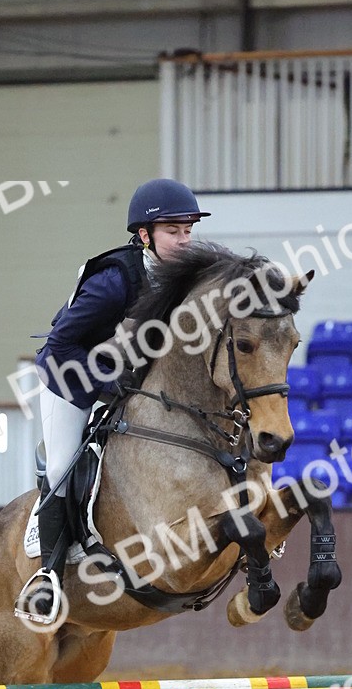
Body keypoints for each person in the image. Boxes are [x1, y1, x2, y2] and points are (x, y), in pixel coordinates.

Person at [15, 178, 211, 624]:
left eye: (188, 230)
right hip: (71, 378)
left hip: (132, 382)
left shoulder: (187, 276)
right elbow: (61, 344)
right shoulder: (113, 280)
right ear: (144, 235)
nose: (184, 239)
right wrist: (107, 379)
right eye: (173, 231)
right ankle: (46, 575)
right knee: (65, 464)